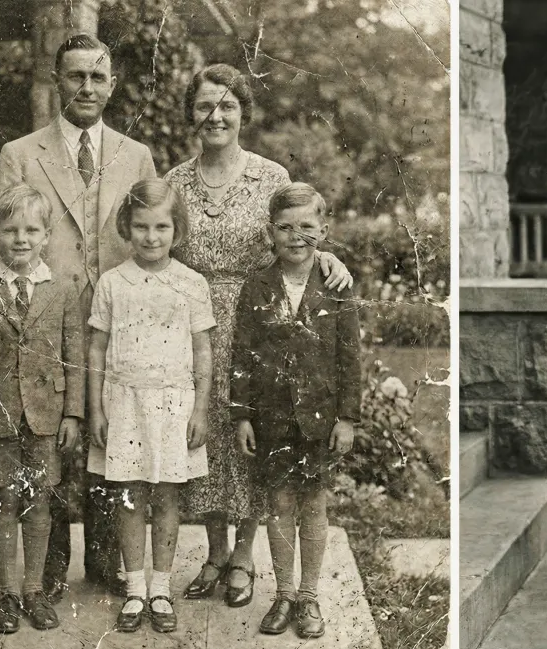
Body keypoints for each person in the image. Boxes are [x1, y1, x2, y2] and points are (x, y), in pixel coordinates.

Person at [165, 63, 351, 608]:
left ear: (243, 112)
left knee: (255, 438)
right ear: (191, 114)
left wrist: (331, 258)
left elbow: (298, 237)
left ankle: (245, 556)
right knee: (209, 437)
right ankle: (216, 552)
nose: (215, 115)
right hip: (191, 323)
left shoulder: (269, 177)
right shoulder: (175, 181)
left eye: (227, 105)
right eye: (204, 105)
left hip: (260, 327)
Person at [0, 33, 157, 598]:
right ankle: (52, 566)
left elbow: (153, 234)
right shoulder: (20, 153)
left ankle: (110, 559)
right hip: (43, 319)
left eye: (97, 76)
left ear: (111, 85)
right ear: (57, 82)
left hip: (118, 319)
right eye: (75, 76)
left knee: (115, 430)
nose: (86, 87)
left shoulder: (136, 156)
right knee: (53, 432)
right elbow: (2, 244)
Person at [229, 183, 362, 639]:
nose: (296, 236)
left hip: (320, 420)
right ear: (271, 232)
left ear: (323, 230)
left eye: (307, 226)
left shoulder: (336, 285)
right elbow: (243, 353)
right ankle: (283, 594)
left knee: (314, 506)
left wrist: (347, 417)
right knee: (279, 504)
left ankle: (309, 596)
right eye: (285, 227)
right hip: (272, 419)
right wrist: (242, 414)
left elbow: (350, 357)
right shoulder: (257, 284)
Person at [85, 179, 215, 633]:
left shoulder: (191, 283)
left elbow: (202, 351)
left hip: (174, 404)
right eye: (141, 226)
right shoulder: (112, 283)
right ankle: (135, 588)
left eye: (162, 226)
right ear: (127, 228)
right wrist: (97, 410)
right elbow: (97, 349)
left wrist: (200, 410)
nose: (151, 236)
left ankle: (161, 587)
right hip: (123, 403)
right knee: (129, 496)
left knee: (166, 496)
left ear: (177, 230)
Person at [0, 185, 84, 633]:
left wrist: (73, 415)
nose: (22, 239)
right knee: (3, 501)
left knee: (39, 502)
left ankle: (34, 589)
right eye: (11, 231)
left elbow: (74, 356)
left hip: (47, 417)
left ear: (47, 234)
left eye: (32, 230)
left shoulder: (63, 290)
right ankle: (8, 592)